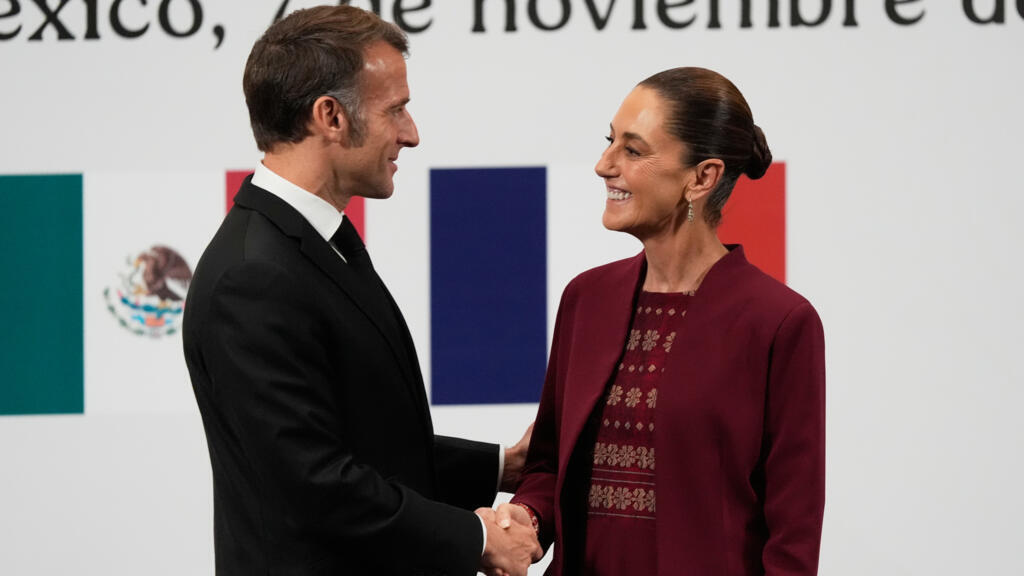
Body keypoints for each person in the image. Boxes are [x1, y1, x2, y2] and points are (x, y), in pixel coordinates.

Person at [182, 6, 541, 576]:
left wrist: (503, 467)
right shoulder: (252, 277)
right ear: (331, 116)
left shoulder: (316, 241)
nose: (411, 132)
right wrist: (477, 537)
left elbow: (365, 442)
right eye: (395, 108)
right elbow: (314, 483)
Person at [499, 67, 826, 575]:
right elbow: (547, 466)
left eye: (633, 150)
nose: (603, 165)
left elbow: (793, 535)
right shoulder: (586, 298)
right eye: (610, 142)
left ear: (702, 178)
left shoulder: (779, 322)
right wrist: (525, 519)